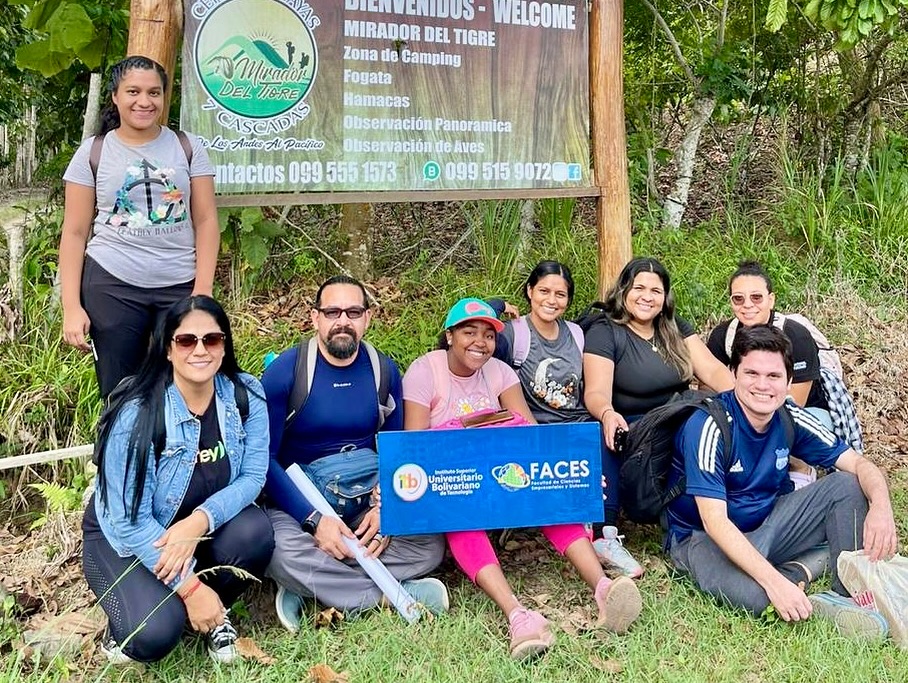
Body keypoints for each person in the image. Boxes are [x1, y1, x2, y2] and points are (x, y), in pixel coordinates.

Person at [403, 298, 643, 661]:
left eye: (487, 335)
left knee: (548, 493)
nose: (479, 342)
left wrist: (576, 482)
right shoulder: (426, 370)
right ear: (449, 335)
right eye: (469, 332)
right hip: (452, 480)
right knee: (461, 517)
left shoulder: (500, 372)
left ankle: (604, 589)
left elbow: (531, 439)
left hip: (503, 473)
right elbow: (414, 447)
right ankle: (517, 615)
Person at [666, 325, 896, 640]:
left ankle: (842, 594)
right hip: (703, 540)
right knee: (764, 601)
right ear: (734, 374)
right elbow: (714, 522)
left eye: (773, 376)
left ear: (788, 382)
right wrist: (775, 584)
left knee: (847, 485)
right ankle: (799, 573)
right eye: (752, 373)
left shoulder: (787, 416)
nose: (762, 385)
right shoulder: (709, 425)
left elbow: (857, 463)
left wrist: (881, 506)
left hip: (767, 523)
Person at [82, 295, 274, 664]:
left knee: (256, 533)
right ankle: (154, 613)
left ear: (224, 346)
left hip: (194, 529)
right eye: (186, 340)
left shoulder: (244, 394)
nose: (200, 350)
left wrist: (197, 522)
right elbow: (129, 522)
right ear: (168, 349)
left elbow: (253, 476)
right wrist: (189, 589)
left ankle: (213, 612)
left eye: (212, 340)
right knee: (153, 636)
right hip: (128, 537)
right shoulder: (138, 415)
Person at [262, 275, 447, 631]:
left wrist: (385, 509)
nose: (342, 321)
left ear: (367, 318)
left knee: (431, 544)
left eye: (353, 311)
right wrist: (313, 521)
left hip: (367, 497)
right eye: (332, 311)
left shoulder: (383, 370)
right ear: (314, 317)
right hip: (302, 500)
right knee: (278, 551)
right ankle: (391, 595)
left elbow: (396, 453)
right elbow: (264, 461)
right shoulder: (286, 371)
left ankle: (315, 589)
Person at [60, 55, 219, 398]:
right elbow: (74, 233)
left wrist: (203, 288)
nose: (144, 101)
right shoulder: (94, 152)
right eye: (133, 91)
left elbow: (206, 220)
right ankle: (118, 451)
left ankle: (178, 451)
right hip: (112, 284)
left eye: (154, 92)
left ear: (165, 96)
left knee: (185, 388)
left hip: (180, 284)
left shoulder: (188, 147)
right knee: (120, 393)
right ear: (115, 96)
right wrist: (71, 307)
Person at [489, 261, 644, 578]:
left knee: (606, 432)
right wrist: (501, 305)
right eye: (543, 290)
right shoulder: (515, 335)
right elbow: (474, 321)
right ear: (530, 291)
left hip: (577, 424)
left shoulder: (577, 333)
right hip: (537, 428)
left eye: (560, 294)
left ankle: (605, 535)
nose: (551, 300)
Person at [582, 257, 734, 539]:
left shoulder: (674, 327)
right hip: (631, 426)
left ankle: (719, 512)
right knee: (602, 433)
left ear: (665, 298)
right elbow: (596, 391)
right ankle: (606, 534)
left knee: (713, 422)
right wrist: (606, 412)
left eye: (656, 291)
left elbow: (712, 370)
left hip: (677, 417)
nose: (647, 297)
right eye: (639, 288)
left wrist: (744, 400)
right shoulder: (606, 330)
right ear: (624, 290)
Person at [706, 261, 832, 487]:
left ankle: (800, 468)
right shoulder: (722, 336)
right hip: (740, 408)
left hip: (797, 411)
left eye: (756, 297)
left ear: (771, 299)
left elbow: (795, 402)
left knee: (808, 424)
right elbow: (706, 391)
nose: (747, 305)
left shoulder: (796, 336)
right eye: (738, 299)